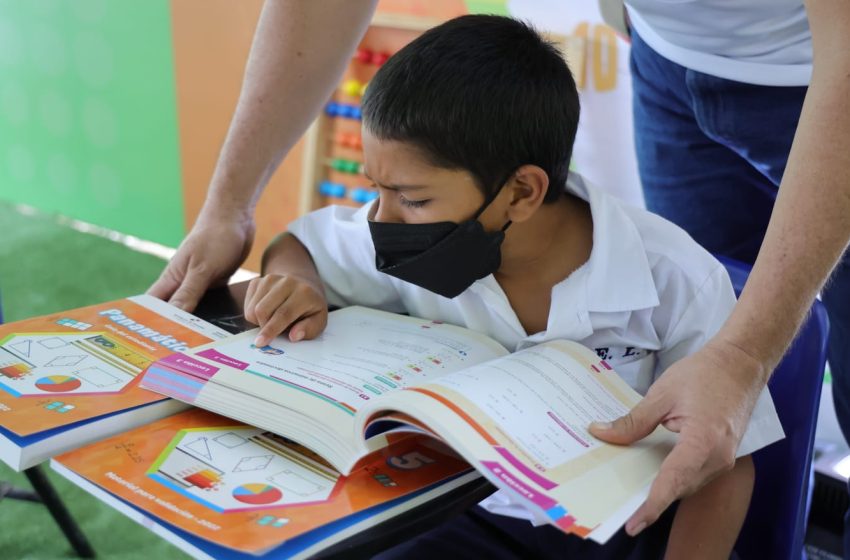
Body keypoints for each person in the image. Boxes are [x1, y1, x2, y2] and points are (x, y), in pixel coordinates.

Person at [148, 0, 850, 537]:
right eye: (378, 191)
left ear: (521, 192)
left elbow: (720, 457)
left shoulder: (676, 280)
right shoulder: (427, 228)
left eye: (411, 197)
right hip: (470, 520)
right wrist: (246, 227)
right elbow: (308, 246)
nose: (382, 219)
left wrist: (746, 353)